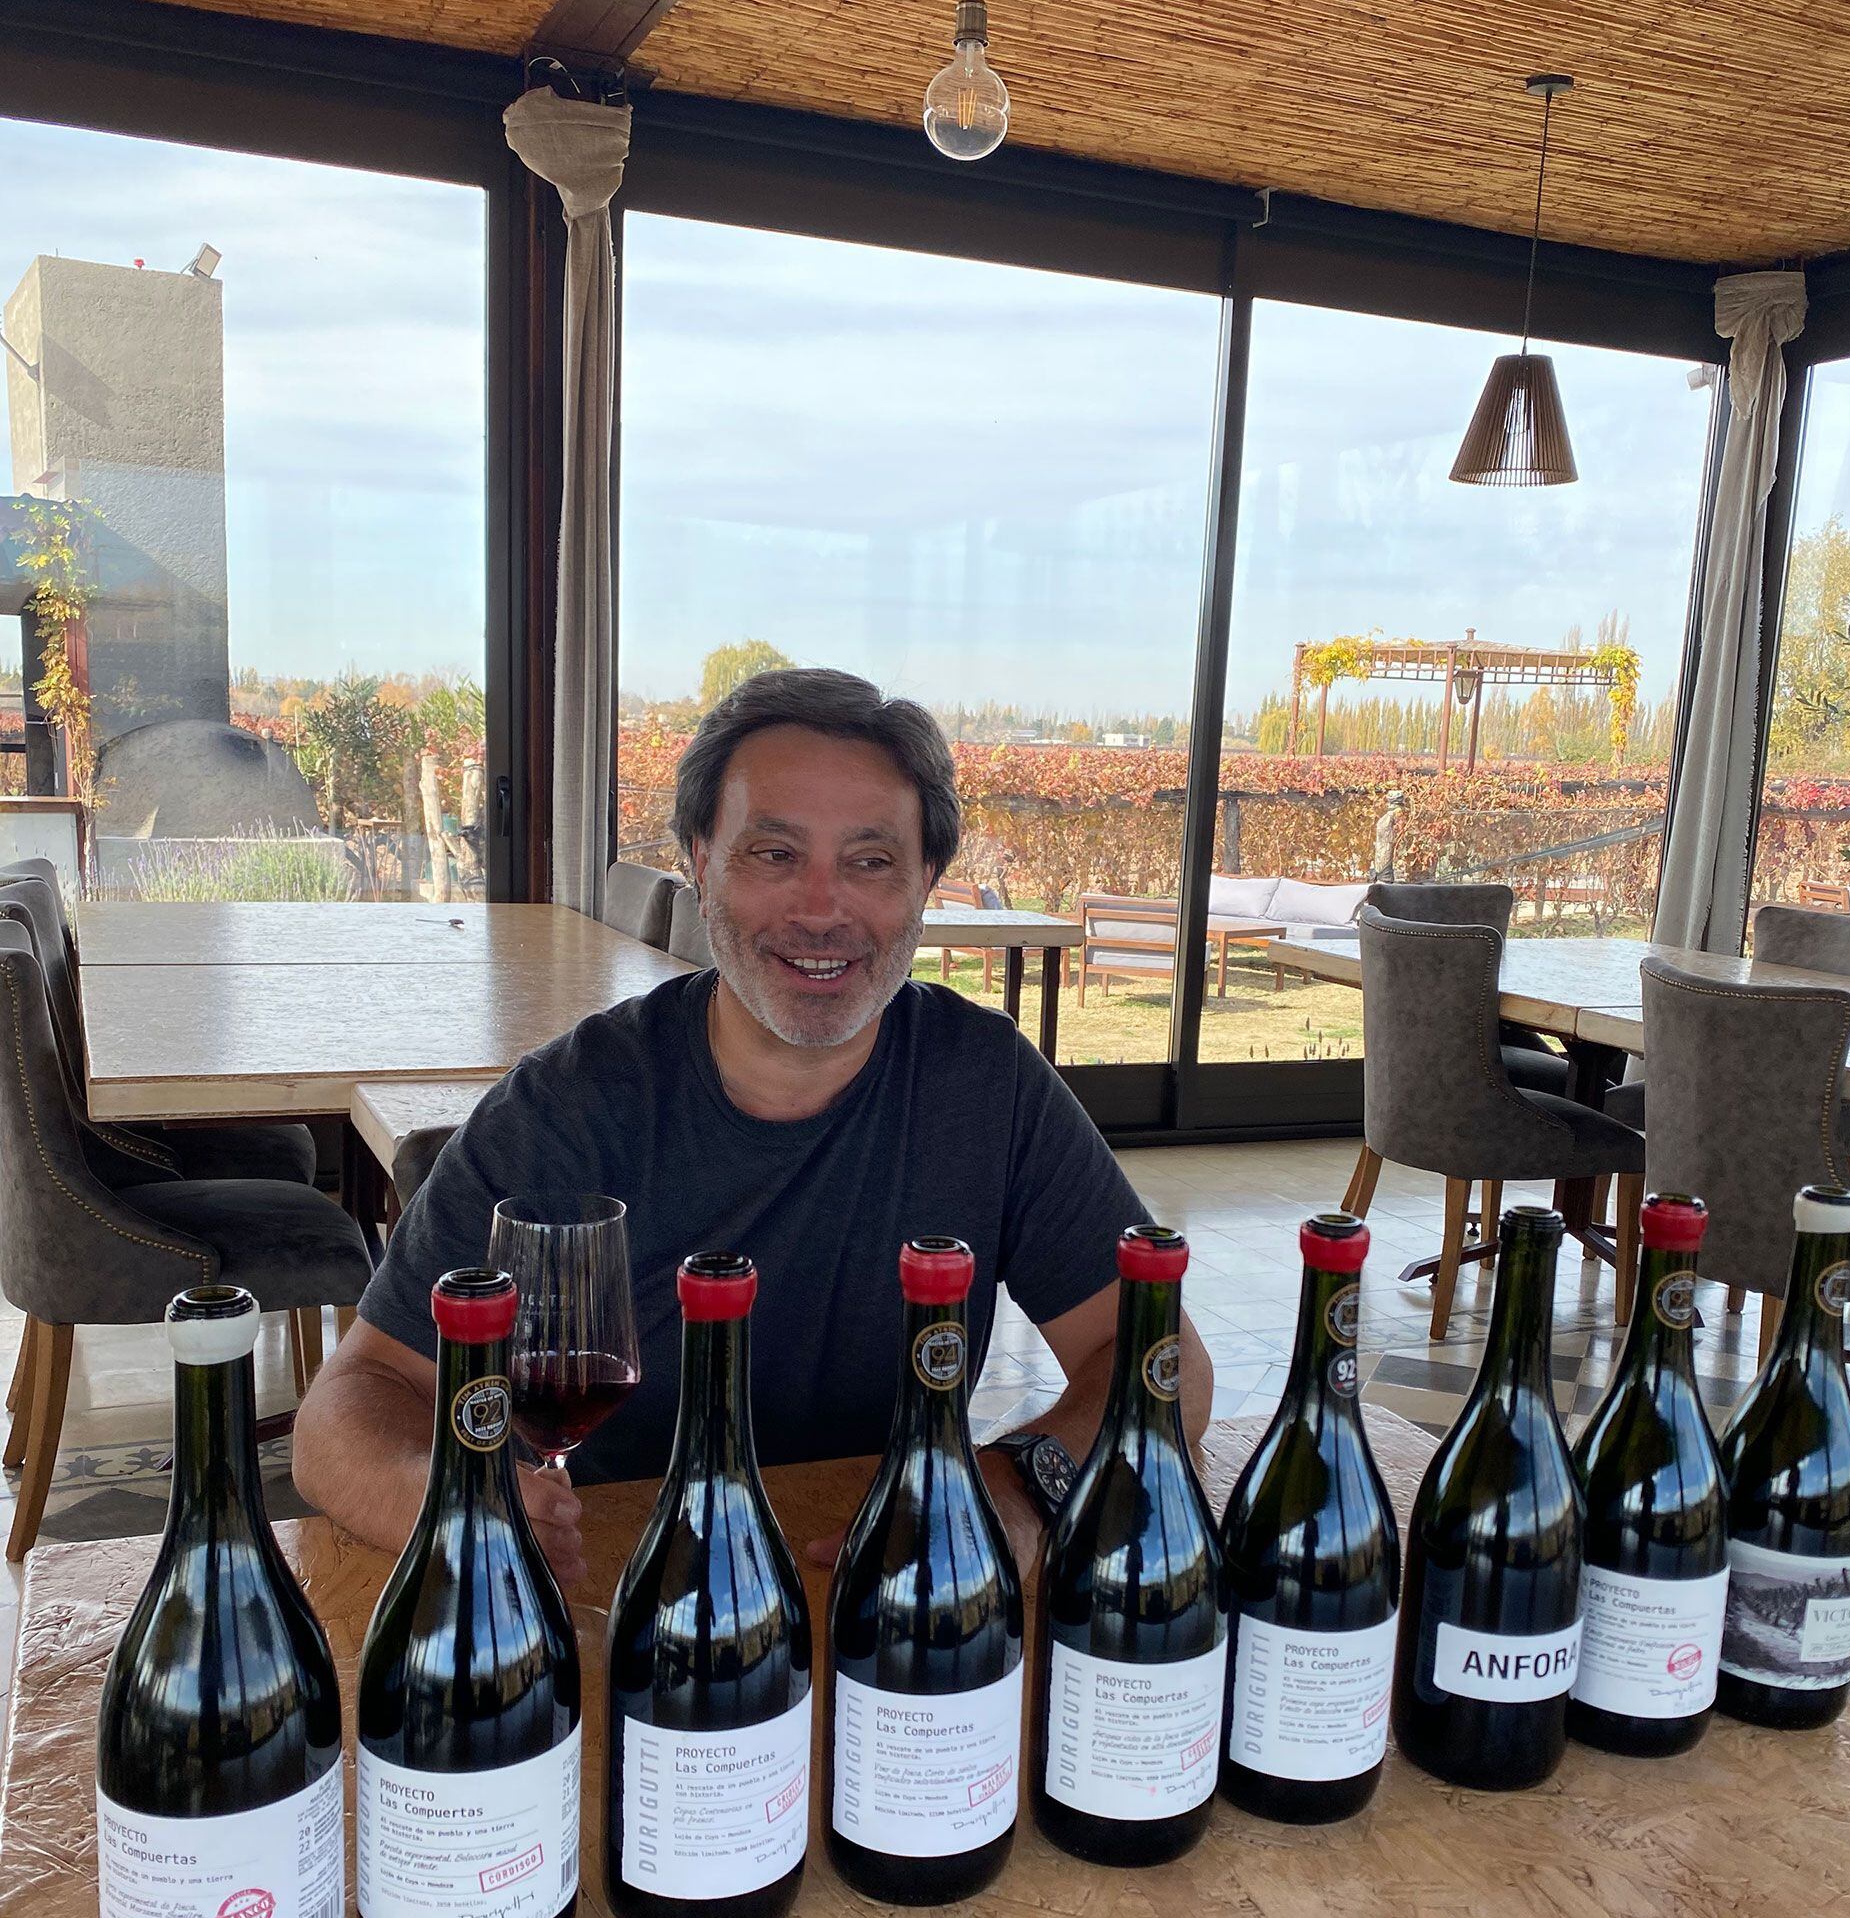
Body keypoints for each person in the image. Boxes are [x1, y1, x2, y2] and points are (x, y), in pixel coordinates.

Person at [293, 667, 1213, 1589]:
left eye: (871, 861)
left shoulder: (984, 1084)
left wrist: (1018, 1486)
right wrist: (453, 1506)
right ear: (700, 864)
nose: (820, 910)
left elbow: (1163, 1359)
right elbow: (348, 1410)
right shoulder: (569, 1105)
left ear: (926, 882)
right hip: (618, 1582)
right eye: (773, 854)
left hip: (875, 1590)